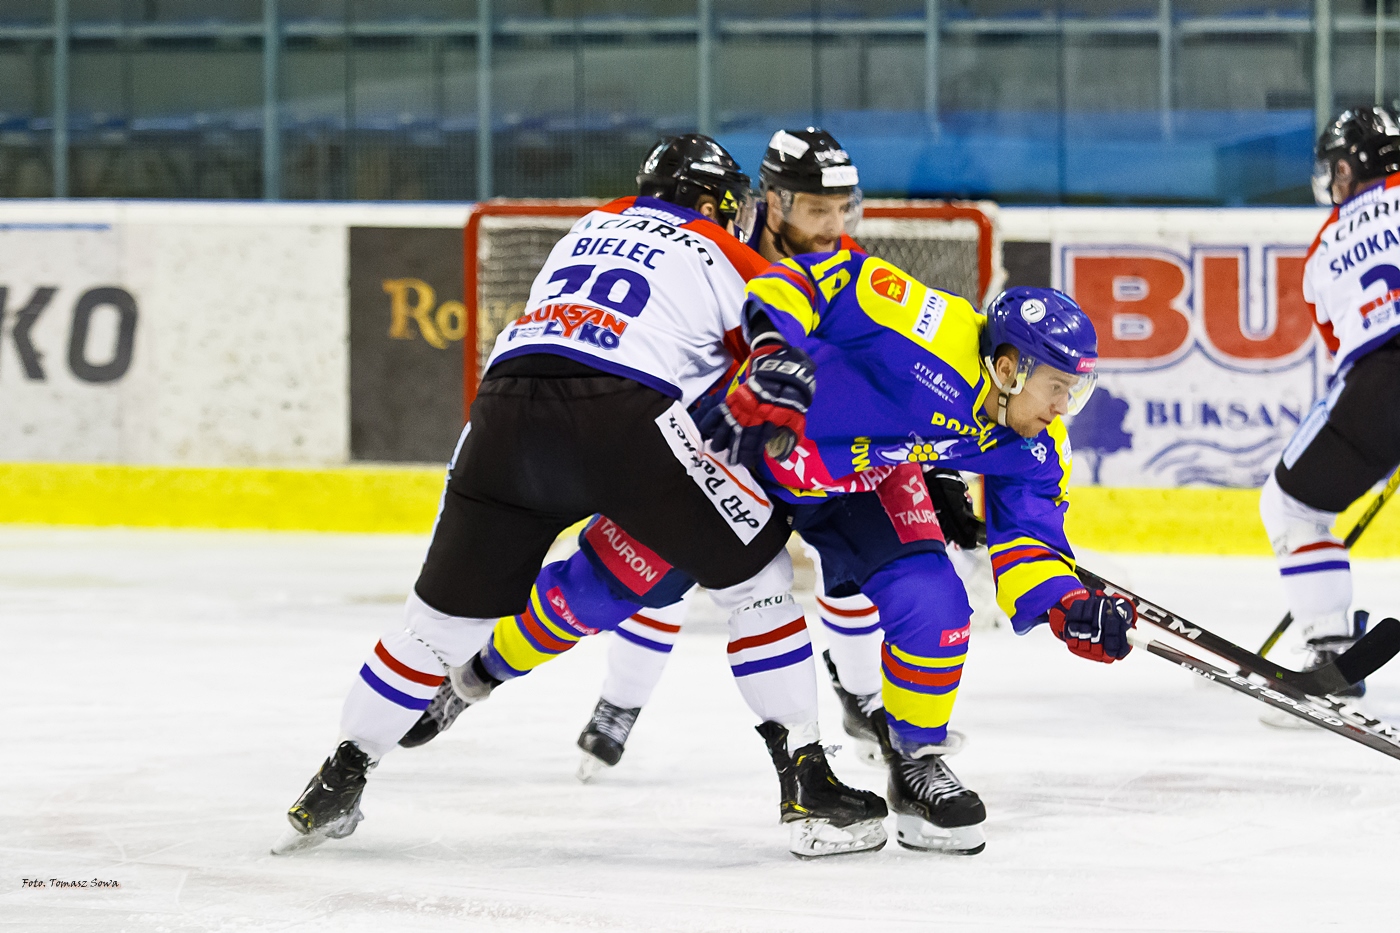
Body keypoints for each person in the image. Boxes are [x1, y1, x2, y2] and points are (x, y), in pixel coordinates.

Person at [270, 133, 884, 860]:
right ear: (720, 202)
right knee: (759, 582)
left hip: (501, 413)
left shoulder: (585, 230)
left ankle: (339, 776)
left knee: (433, 628)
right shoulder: (728, 250)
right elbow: (765, 340)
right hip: (622, 416)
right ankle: (808, 784)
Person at [1259, 106, 1400, 724]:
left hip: (1381, 379)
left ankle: (1328, 653)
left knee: (1292, 505)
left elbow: (1343, 344)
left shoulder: (1325, 247)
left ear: (1346, 169)